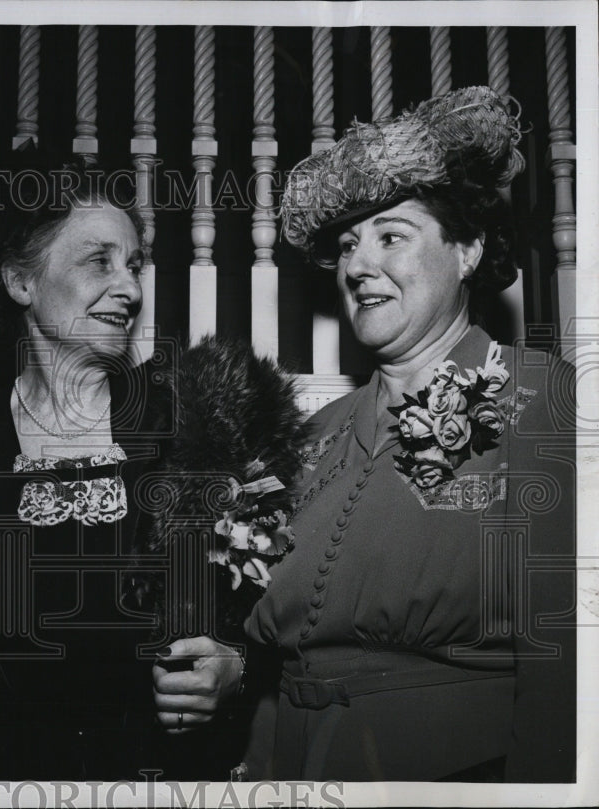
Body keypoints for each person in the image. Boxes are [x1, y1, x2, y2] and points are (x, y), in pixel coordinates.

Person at [153, 86, 576, 782]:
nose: (357, 264)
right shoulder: (314, 433)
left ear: (466, 249)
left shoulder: (535, 395)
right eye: (349, 243)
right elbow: (282, 634)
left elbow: (564, 660)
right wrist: (233, 667)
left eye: (391, 236)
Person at [0, 157, 177, 780]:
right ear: (19, 281)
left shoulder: (189, 428)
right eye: (100, 261)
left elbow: (262, 616)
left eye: (134, 265)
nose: (129, 289)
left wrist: (234, 668)